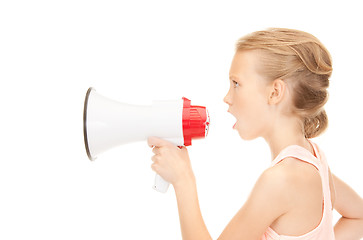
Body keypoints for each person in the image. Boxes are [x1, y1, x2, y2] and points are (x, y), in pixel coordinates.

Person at [147, 28, 363, 240]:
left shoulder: (281, 180)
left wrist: (183, 179)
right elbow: (358, 218)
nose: (227, 97)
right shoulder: (315, 159)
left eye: (236, 83)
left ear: (274, 92)